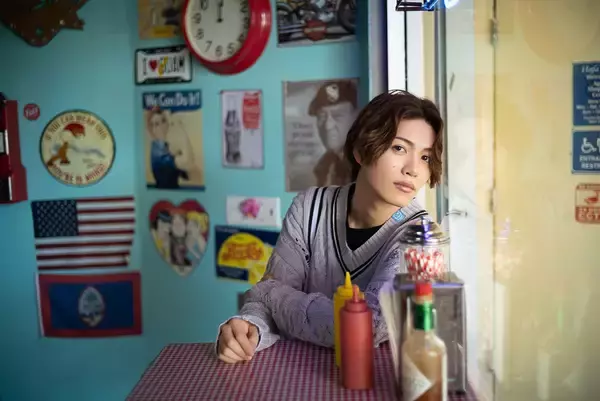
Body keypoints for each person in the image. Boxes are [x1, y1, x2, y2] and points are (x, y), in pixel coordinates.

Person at [216, 90, 444, 364]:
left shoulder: (421, 238)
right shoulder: (309, 207)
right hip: (293, 373)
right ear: (361, 150)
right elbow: (263, 306)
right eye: (399, 148)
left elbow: (368, 326)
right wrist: (250, 325)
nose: (413, 169)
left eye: (426, 157)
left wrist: (269, 293)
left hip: (373, 380)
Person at [309, 80, 358, 187]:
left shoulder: (367, 164)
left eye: (337, 116)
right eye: (322, 116)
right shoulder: (324, 166)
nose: (328, 126)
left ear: (356, 118)